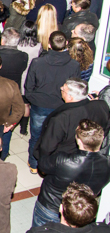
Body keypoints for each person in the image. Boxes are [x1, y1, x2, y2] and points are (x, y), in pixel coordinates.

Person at [34, 119, 110, 228]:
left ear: (79, 141)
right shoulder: (107, 163)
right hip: (82, 211)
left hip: (52, 206)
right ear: (102, 138)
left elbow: (42, 163)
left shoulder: (63, 160)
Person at [25, 31, 81, 173]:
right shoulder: (74, 65)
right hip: (62, 107)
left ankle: (34, 164)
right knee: (57, 138)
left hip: (40, 105)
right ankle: (51, 165)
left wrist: (33, 99)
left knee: (36, 136)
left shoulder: (38, 62)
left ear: (49, 45)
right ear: (66, 44)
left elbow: (28, 86)